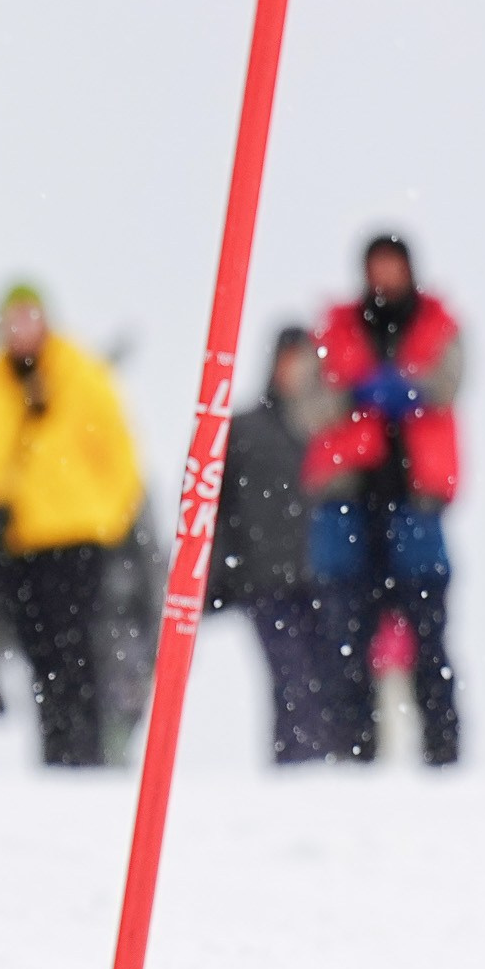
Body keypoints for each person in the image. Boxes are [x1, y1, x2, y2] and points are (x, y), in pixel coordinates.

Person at [0, 284, 143, 767]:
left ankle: (86, 753)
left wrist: (110, 516)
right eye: (12, 320)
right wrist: (1, 500)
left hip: (79, 534)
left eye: (29, 318)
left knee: (79, 647)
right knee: (39, 650)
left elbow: (119, 452)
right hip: (23, 540)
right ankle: (57, 750)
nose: (21, 330)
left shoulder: (80, 372)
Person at [302, 233, 464, 765]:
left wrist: (409, 391)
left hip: (415, 503)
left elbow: (451, 379)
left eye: (394, 267)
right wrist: (355, 396)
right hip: (351, 501)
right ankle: (354, 753)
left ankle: (442, 755)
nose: (385, 278)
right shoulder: (337, 329)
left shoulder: (439, 325)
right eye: (378, 267)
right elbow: (310, 402)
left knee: (428, 637)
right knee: (348, 638)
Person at [208, 326, 330, 764]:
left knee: (324, 678)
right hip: (264, 579)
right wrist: (218, 575)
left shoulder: (327, 427)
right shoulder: (245, 429)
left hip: (322, 578)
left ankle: (317, 768)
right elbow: (213, 508)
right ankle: (297, 768)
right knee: (291, 678)